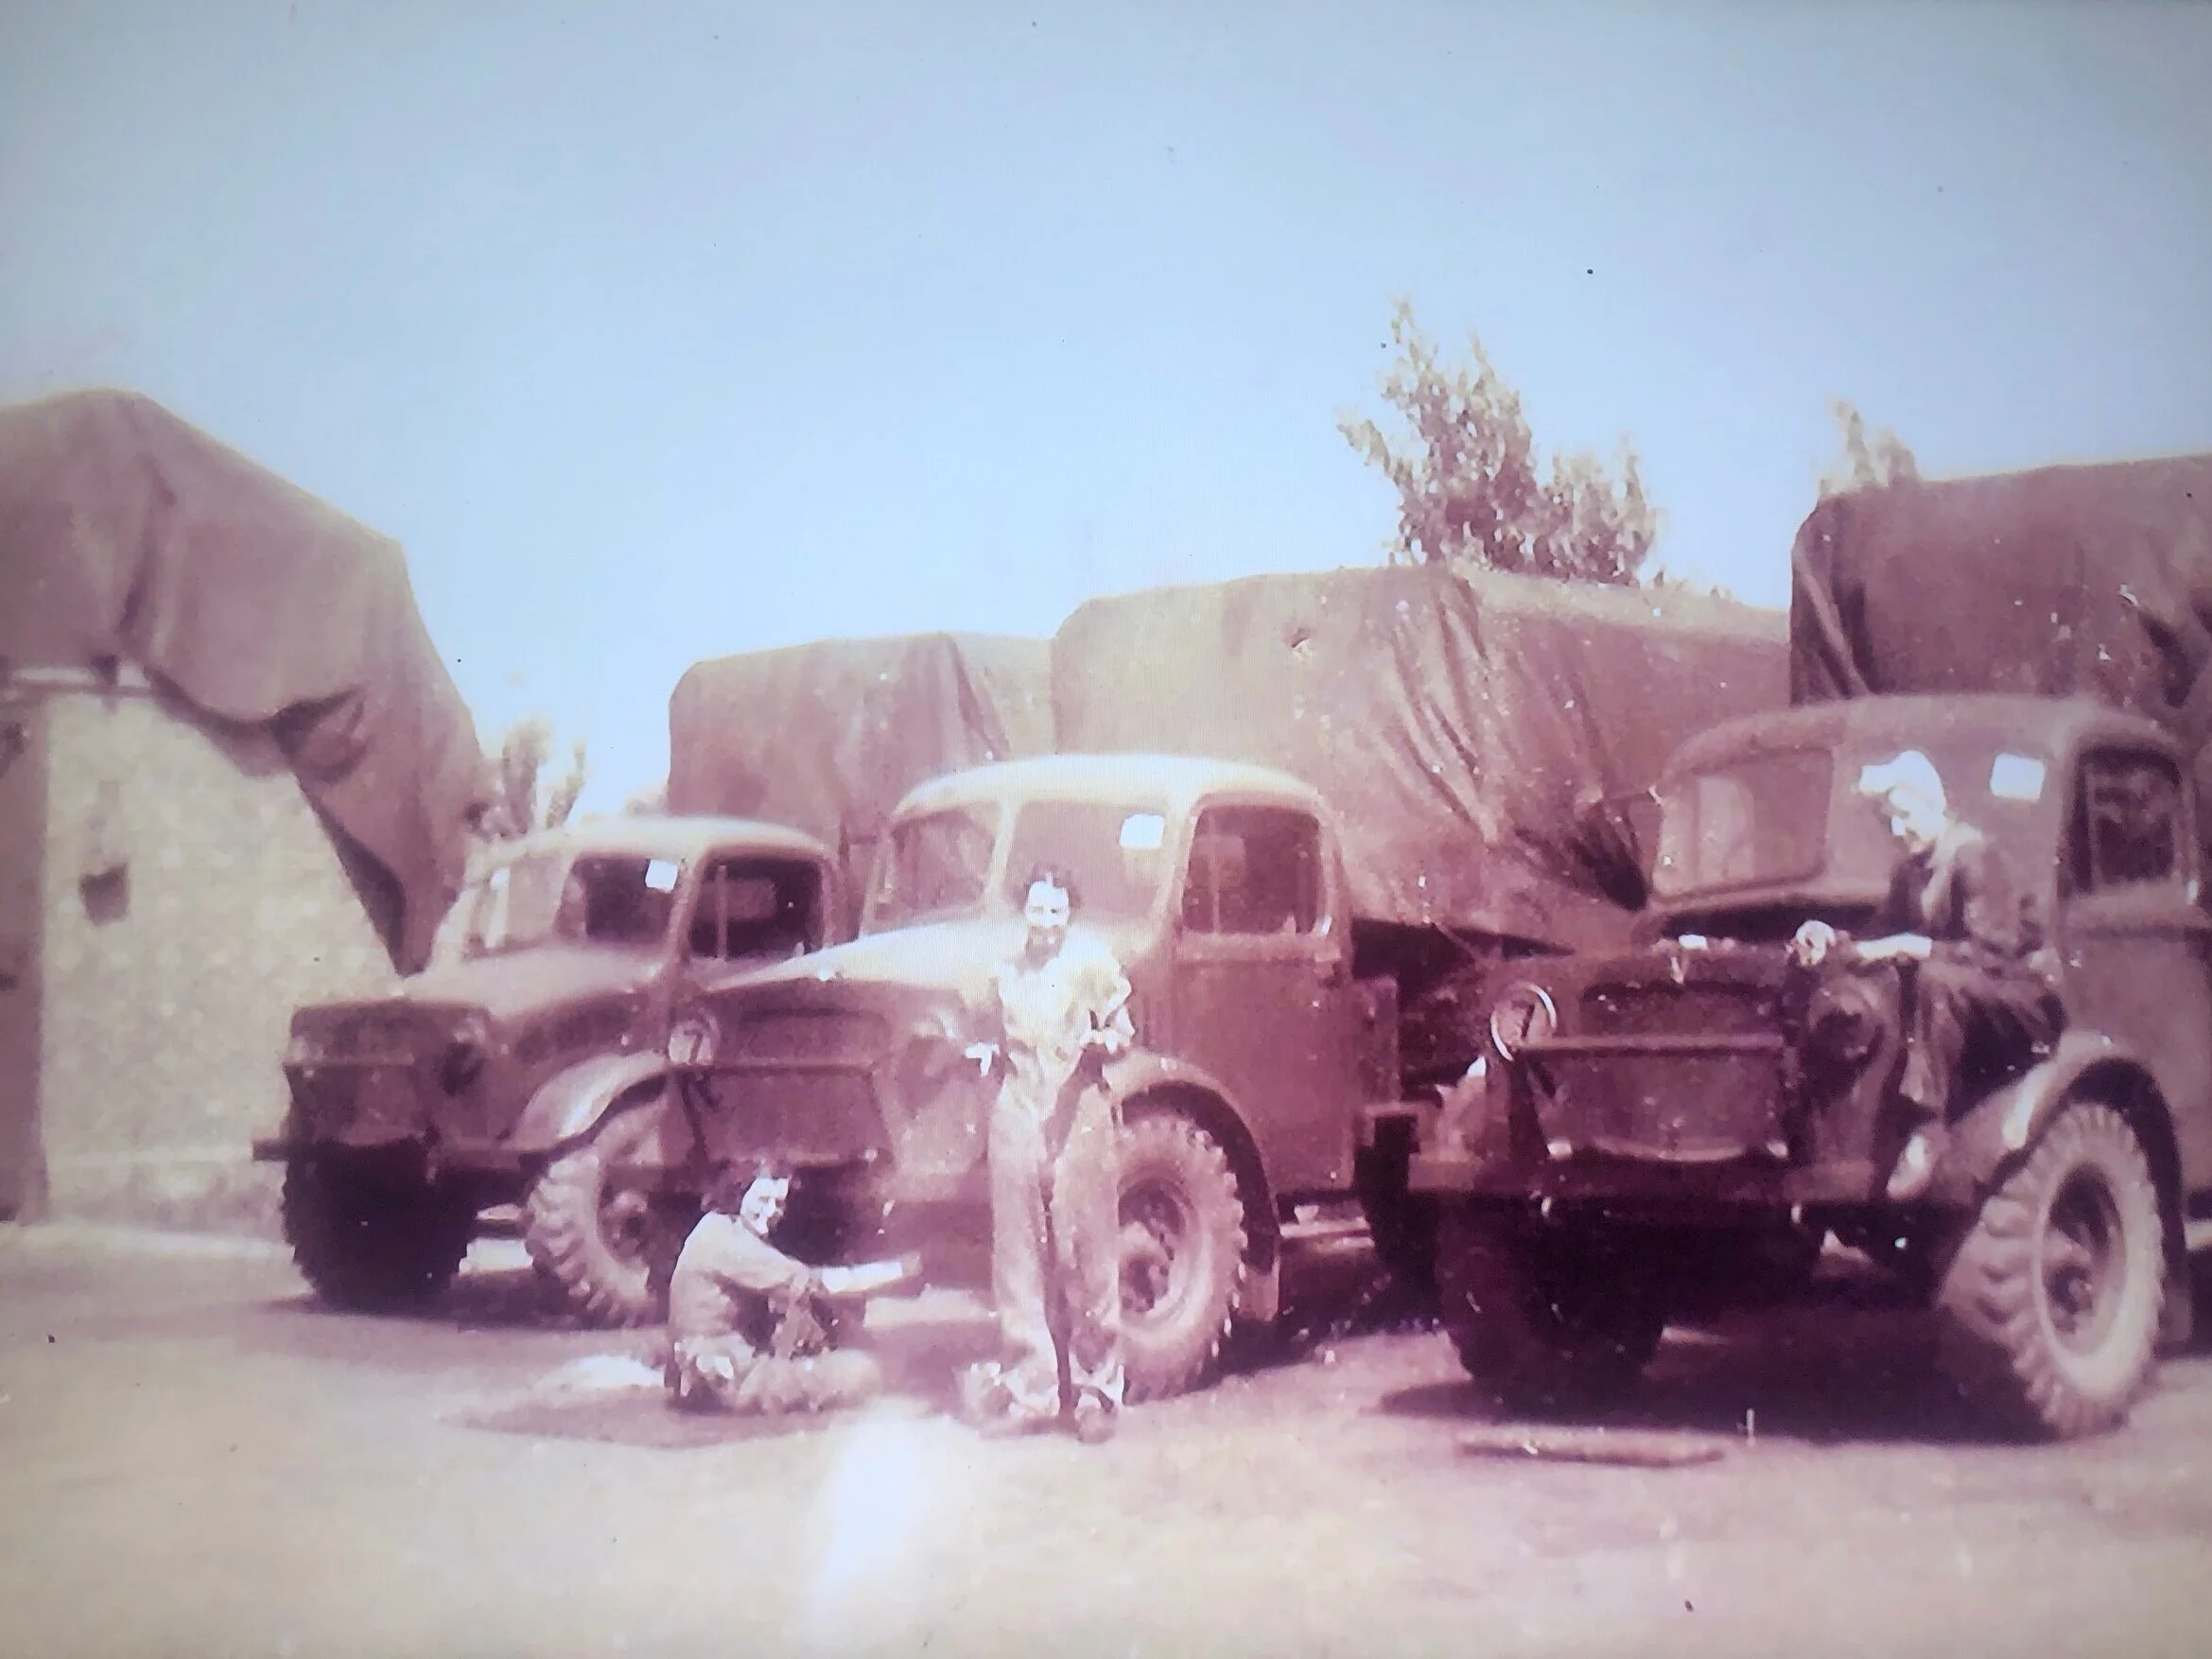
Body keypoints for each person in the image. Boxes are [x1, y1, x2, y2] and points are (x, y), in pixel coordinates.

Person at [1791, 749, 2063, 1201]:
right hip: (1964, 994)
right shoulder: (1911, 871)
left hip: (2022, 1001)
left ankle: (1925, 1127)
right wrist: (1832, 941)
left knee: (1933, 979)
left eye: (1904, 815)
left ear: (1932, 803)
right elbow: (1877, 936)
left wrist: (1911, 947)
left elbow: (1994, 955)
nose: (1898, 830)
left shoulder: (1975, 857)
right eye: (1887, 821)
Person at [958, 866, 1137, 1445]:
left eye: (1058, 911)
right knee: (1017, 1256)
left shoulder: (1092, 965)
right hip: (1017, 1109)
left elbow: (1125, 1031)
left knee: (1087, 1252)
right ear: (1023, 912)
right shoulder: (1004, 973)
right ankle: (1031, 1390)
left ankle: (1096, 1392)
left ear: (1070, 915)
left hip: (1078, 1107)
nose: (1047, 922)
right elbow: (977, 1023)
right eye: (1038, 910)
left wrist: (1102, 1042)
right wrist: (982, 1047)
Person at [663, 1161, 905, 1417]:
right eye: (763, 1199)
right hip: (729, 1377)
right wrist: (899, 1271)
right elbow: (816, 1283)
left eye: (778, 1203)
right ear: (739, 1193)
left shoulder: (715, 1228)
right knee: (861, 1370)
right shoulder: (727, 1242)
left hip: (697, 1370)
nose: (770, 1212)